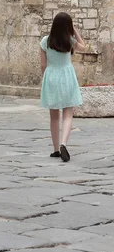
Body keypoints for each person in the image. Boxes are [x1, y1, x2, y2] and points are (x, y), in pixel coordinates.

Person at [40, 12, 86, 162]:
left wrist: (45, 80)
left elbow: (42, 65)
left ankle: (55, 150)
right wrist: (75, 31)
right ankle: (63, 143)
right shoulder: (70, 41)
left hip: (52, 76)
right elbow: (84, 48)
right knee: (68, 113)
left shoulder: (45, 41)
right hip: (67, 77)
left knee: (54, 116)